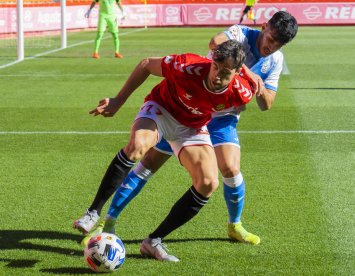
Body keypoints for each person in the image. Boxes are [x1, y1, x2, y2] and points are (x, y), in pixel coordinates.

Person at [74, 11, 298, 247]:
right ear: (264, 27)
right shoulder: (239, 34)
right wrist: (246, 71)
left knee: (228, 169)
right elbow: (215, 42)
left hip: (220, 117)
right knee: (147, 159)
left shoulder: (275, 60)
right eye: (271, 39)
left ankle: (235, 225)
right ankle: (104, 221)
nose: (271, 47)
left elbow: (267, 103)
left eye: (278, 44)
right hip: (187, 102)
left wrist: (256, 89)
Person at [79, 40, 256, 261]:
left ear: (238, 72)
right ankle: (93, 212)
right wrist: (118, 100)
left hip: (191, 126)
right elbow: (145, 64)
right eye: (215, 66)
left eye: (226, 72)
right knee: (137, 148)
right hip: (161, 109)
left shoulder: (242, 91)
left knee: (208, 183)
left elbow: (253, 94)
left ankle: (153, 241)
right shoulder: (187, 66)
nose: (217, 75)